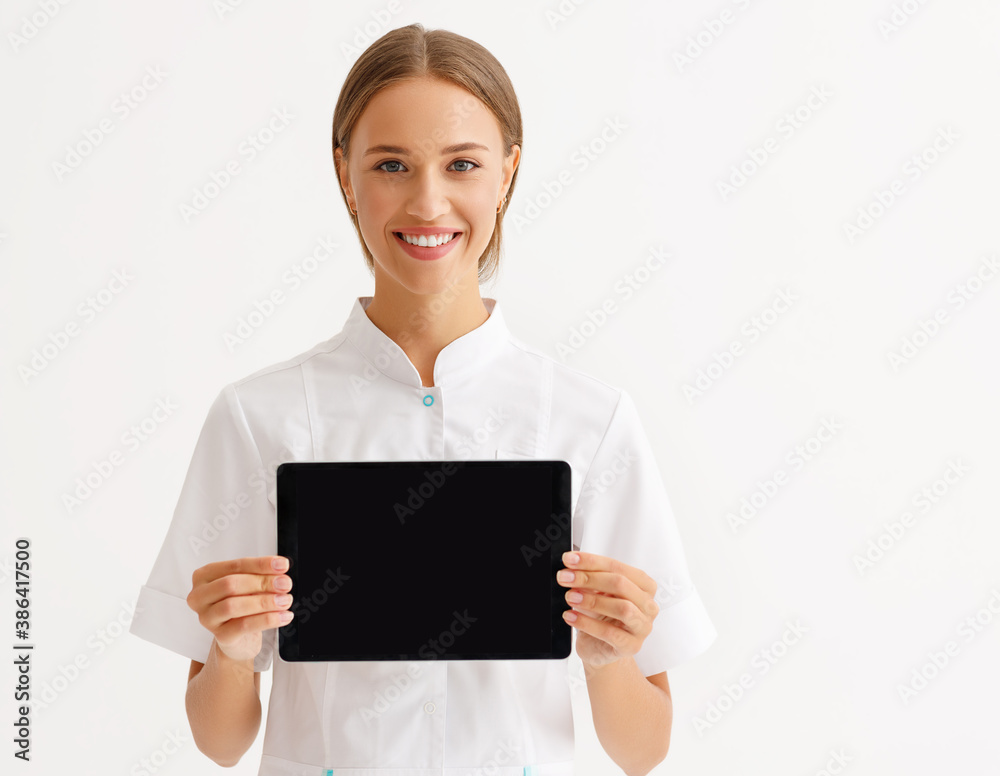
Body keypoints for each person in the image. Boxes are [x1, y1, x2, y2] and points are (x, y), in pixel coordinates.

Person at [129, 23, 717, 776]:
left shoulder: (590, 422)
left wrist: (609, 659)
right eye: (392, 164)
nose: (428, 201)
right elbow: (221, 740)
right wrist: (233, 650)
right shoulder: (260, 417)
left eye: (462, 164)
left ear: (506, 174)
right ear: (345, 174)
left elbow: (644, 751)